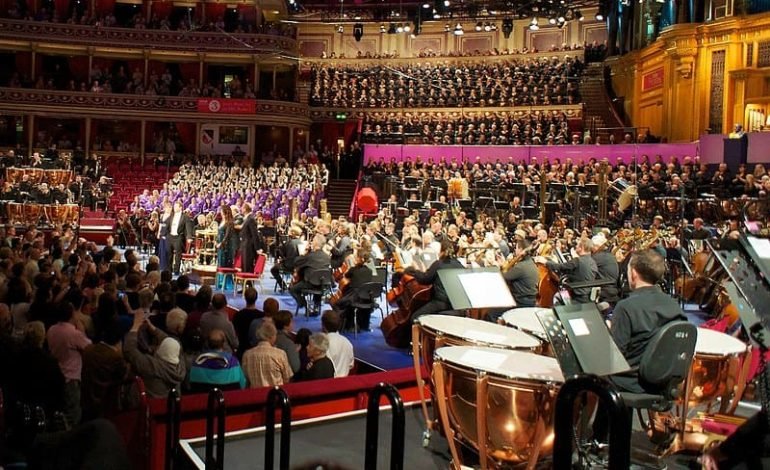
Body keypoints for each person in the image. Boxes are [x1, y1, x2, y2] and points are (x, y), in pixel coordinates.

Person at [609, 249, 686, 393]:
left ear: (633, 273)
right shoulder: (673, 305)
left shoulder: (626, 307)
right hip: (664, 382)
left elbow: (615, 357)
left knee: (586, 376)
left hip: (630, 382)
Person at [47, 302, 92, 426]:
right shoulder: (73, 333)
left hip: (57, 373)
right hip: (71, 376)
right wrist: (82, 330)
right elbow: (89, 347)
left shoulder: (51, 329)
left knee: (62, 410)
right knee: (73, 413)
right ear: (71, 314)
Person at [122, 313, 186, 399]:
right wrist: (153, 328)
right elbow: (172, 343)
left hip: (145, 407)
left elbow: (129, 350)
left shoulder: (152, 366)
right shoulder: (181, 366)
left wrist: (135, 327)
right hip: (168, 407)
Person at [403, 238, 465, 320]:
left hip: (441, 303)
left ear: (442, 251)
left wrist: (415, 270)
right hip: (458, 305)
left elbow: (424, 279)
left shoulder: (439, 264)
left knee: (414, 318)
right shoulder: (460, 266)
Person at [81, 322, 129, 421]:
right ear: (119, 340)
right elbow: (124, 375)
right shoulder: (115, 357)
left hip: (85, 398)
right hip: (104, 401)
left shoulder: (88, 349)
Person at [536, 237, 598, 304]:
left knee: (558, 296)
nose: (575, 247)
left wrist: (545, 262)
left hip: (576, 297)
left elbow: (560, 267)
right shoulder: (593, 262)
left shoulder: (578, 261)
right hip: (587, 296)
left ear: (581, 247)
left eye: (577, 245)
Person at [332, 248, 374, 331]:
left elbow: (346, 276)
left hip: (353, 298)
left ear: (359, 258)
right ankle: (359, 324)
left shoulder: (353, 270)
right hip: (366, 299)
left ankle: (345, 324)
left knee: (336, 303)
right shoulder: (370, 271)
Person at [241, 322, 293, 388]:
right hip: (275, 394)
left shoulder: (247, 355)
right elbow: (287, 378)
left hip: (256, 395)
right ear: (271, 336)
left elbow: (246, 378)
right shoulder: (280, 354)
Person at [290, 234, 331, 315]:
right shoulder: (327, 257)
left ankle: (304, 304)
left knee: (292, 289)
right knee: (318, 280)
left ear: (315, 243)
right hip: (323, 285)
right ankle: (316, 307)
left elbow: (296, 262)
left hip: (310, 283)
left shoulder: (310, 256)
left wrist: (304, 253)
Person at [502, 238, 539, 308]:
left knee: (492, 314)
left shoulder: (521, 267)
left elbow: (503, 277)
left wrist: (499, 266)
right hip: (530, 300)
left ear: (521, 250)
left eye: (516, 248)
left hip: (521, 302)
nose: (515, 250)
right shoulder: (530, 262)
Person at [232, 287, 263, 361]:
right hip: (257, 350)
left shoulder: (238, 315)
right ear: (256, 298)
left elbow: (234, 331)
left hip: (242, 348)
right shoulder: (261, 316)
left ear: (245, 298)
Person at [590, 233, 620, 308]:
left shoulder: (599, 257)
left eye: (592, 246)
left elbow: (585, 266)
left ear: (596, 246)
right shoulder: (608, 255)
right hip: (611, 290)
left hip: (605, 293)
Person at [321, 310, 354, 378]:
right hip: (344, 382)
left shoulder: (323, 343)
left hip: (327, 383)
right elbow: (351, 365)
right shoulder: (347, 342)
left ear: (323, 326)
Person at [271, 225, 302, 291]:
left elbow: (282, 254)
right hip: (299, 266)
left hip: (289, 265)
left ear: (292, 233)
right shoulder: (302, 242)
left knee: (273, 269)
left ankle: (283, 286)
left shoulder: (289, 242)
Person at [166, 201, 193, 274]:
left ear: (180, 207)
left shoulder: (185, 217)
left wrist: (189, 237)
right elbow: (166, 225)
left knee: (178, 254)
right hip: (170, 236)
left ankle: (176, 270)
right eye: (174, 206)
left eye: (176, 206)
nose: (174, 208)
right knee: (168, 253)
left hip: (178, 237)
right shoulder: (171, 215)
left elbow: (188, 228)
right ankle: (169, 270)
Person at [238, 203, 260, 274]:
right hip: (245, 245)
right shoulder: (247, 218)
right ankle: (245, 283)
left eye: (242, 207)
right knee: (244, 265)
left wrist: (257, 248)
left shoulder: (251, 219)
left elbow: (254, 234)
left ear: (245, 209)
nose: (241, 209)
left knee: (248, 265)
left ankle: (248, 283)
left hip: (249, 246)